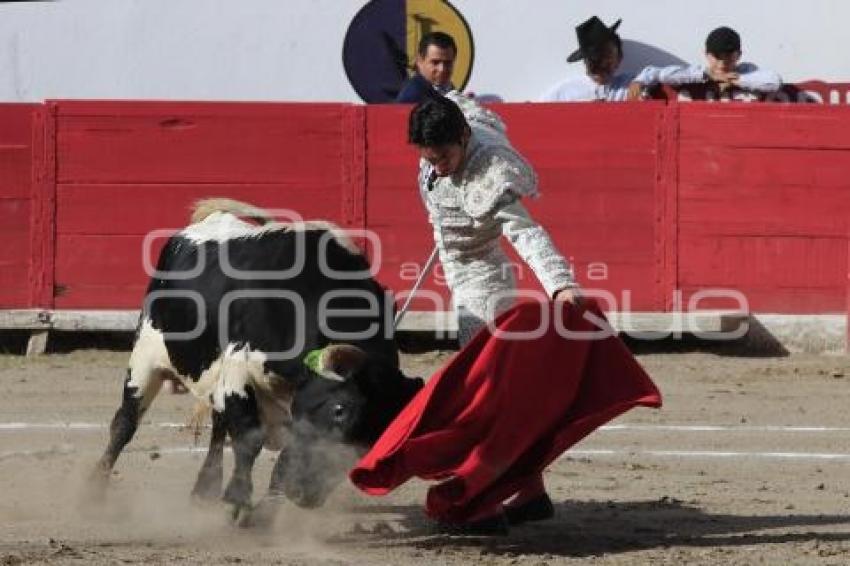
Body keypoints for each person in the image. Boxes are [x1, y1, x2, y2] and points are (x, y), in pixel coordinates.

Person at [407, 91, 583, 532]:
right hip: (458, 270)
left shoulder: (490, 171)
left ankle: (482, 502)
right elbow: (457, 101)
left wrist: (560, 283)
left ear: (464, 138)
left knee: (478, 396)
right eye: (429, 157)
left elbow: (526, 233)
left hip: (482, 282)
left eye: (444, 156)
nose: (438, 165)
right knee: (495, 394)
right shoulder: (451, 125)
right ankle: (530, 494)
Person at [629, 26, 782, 101]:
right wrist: (640, 80)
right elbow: (659, 73)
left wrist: (735, 79)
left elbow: (775, 81)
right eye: (716, 57)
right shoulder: (700, 72)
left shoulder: (747, 72)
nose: (722, 64)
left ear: (739, 55)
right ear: (707, 55)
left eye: (728, 57)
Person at [539, 15, 634, 102]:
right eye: (594, 57)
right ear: (585, 61)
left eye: (607, 55)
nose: (601, 63)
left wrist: (640, 82)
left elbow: (648, 73)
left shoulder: (630, 83)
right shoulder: (565, 92)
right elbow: (535, 114)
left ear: (619, 58)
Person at [395, 32, 457, 103]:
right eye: (435, 62)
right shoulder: (411, 97)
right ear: (419, 61)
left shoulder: (450, 91)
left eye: (447, 63)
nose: (442, 69)